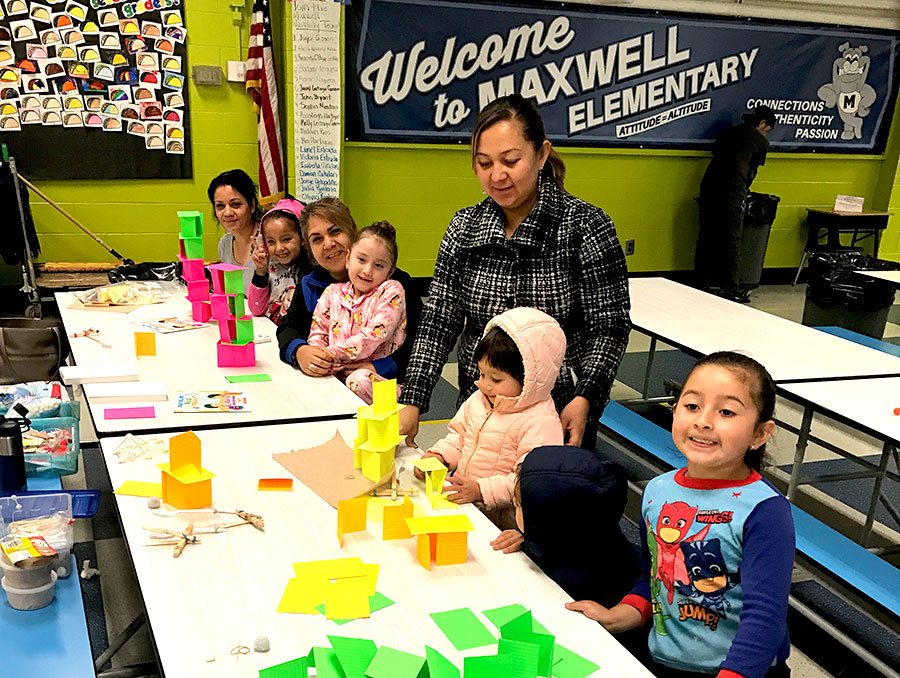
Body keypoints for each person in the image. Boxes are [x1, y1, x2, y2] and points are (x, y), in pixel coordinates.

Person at [398, 94, 630, 450]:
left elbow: (609, 326)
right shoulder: (465, 227)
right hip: (480, 414)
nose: (497, 175)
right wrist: (412, 398)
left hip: (557, 415)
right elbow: (439, 320)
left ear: (541, 154)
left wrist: (586, 398)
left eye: (510, 160)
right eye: (484, 163)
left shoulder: (584, 226)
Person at [565, 352, 794, 678]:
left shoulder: (764, 510)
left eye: (726, 411)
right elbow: (653, 578)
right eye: (692, 406)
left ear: (760, 434)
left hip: (740, 671)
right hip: (665, 662)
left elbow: (765, 616)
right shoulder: (658, 492)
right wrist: (617, 615)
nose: (703, 420)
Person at [415, 307, 565, 529]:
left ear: (530, 379)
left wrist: (481, 490)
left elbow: (530, 481)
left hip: (507, 525)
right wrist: (440, 456)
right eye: (482, 374)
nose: (484, 385)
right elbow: (459, 436)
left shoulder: (541, 421)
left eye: (496, 379)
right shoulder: (480, 399)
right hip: (470, 508)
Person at [275, 197, 422, 386]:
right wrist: (300, 352)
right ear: (309, 248)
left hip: (385, 385)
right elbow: (289, 328)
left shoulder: (396, 284)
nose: (328, 244)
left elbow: (421, 342)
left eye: (335, 231)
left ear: (352, 231)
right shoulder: (312, 282)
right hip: (331, 382)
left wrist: (378, 367)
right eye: (317, 239)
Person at [307, 222, 407, 404]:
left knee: (358, 381)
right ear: (348, 258)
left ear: (390, 271)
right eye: (361, 260)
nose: (367, 270)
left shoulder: (391, 291)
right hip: (336, 375)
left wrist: (332, 354)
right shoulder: (332, 292)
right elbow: (318, 331)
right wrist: (320, 357)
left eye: (378, 265)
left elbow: (375, 334)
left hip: (378, 383)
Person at [695, 106, 776, 304]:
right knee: (731, 239)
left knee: (706, 237)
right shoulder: (759, 141)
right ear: (763, 123)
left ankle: (700, 283)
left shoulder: (728, 133)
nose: (766, 133)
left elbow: (716, 156)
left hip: (709, 187)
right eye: (767, 129)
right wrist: (744, 192)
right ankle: (730, 287)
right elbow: (750, 171)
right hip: (732, 191)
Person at [247, 198, 310, 325]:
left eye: (286, 239)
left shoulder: (310, 271)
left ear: (303, 237)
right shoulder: (270, 268)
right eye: (271, 241)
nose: (279, 248)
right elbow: (256, 309)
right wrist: (261, 271)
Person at [209, 169, 264, 297]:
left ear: (252, 206)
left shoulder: (267, 240)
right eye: (220, 206)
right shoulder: (224, 244)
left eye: (235, 204)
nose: (227, 213)